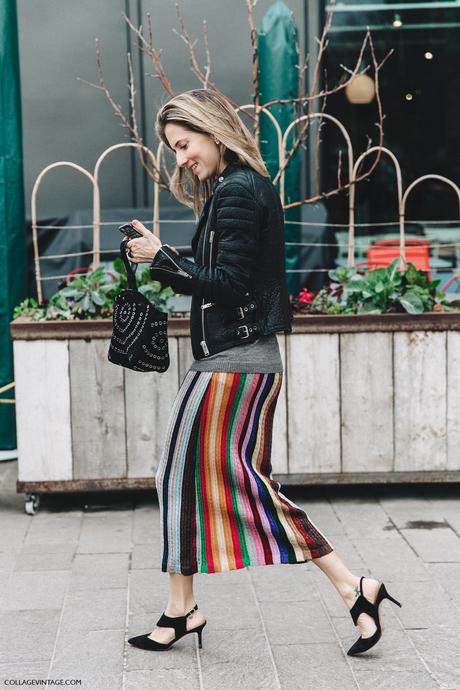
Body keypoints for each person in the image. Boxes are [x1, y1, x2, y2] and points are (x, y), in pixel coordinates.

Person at [124, 88, 401, 656]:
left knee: (199, 477)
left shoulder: (238, 191)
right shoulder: (234, 189)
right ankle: (347, 591)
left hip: (234, 361)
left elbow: (228, 285)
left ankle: (348, 586)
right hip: (236, 359)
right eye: (174, 150)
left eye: (183, 144)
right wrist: (169, 258)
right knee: (197, 477)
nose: (180, 159)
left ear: (211, 129)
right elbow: (227, 272)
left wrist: (161, 259)